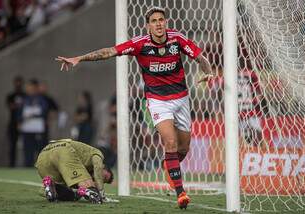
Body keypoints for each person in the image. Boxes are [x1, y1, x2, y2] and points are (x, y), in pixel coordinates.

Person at [55, 6, 211, 209]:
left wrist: (207, 71)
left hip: (182, 98)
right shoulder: (139, 44)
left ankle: (169, 165)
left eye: (161, 20)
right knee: (170, 143)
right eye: (154, 21)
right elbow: (109, 52)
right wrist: (79, 58)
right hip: (157, 100)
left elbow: (200, 57)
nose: (158, 24)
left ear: (166, 22)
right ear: (148, 25)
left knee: (183, 148)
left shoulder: (177, 39)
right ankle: (181, 193)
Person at [35, 138, 114, 204]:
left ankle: (50, 187)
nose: (101, 178)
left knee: (71, 195)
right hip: (63, 150)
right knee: (90, 190)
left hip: (42, 157)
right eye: (105, 176)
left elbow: (41, 191)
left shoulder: (72, 171)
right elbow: (98, 167)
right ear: (104, 166)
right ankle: (88, 192)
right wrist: (101, 192)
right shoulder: (97, 153)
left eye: (104, 181)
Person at [18, 78, 49, 167]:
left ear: (36, 88)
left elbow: (44, 111)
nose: (30, 89)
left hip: (38, 129)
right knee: (27, 148)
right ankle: (27, 165)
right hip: (27, 128)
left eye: (32, 88)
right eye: (29, 87)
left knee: (40, 148)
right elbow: (19, 112)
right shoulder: (24, 99)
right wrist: (19, 121)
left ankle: (41, 166)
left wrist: (33, 114)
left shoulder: (41, 99)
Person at [6, 76, 26, 167]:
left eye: (20, 82)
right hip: (13, 124)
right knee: (12, 146)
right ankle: (12, 165)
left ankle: (27, 164)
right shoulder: (11, 96)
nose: (18, 84)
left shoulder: (25, 96)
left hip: (25, 124)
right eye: (16, 82)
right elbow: (11, 106)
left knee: (26, 145)